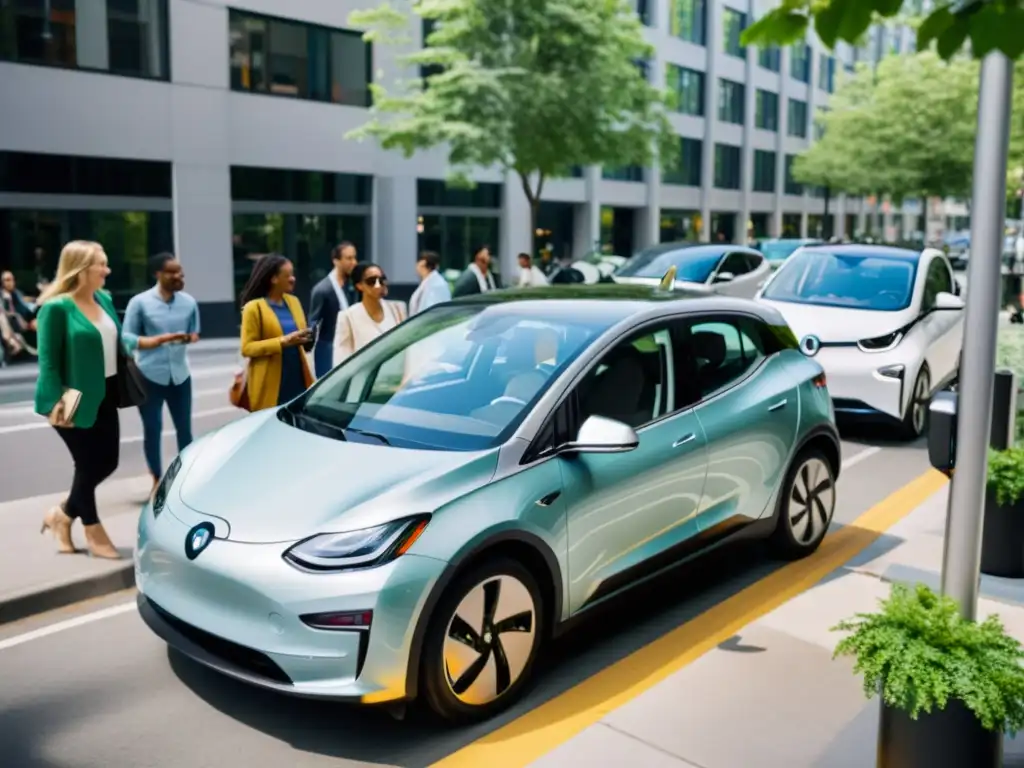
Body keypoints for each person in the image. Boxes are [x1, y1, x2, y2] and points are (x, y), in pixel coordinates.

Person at [34, 241, 179, 558]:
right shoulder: (56, 308)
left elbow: (116, 343)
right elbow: (48, 363)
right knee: (87, 465)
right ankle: (93, 529)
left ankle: (61, 515)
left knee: (107, 461)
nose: (107, 270)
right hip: (71, 398)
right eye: (101, 264)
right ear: (81, 268)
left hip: (107, 393)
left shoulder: (104, 299)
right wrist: (59, 406)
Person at [123, 253, 200, 490]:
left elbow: (194, 333)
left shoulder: (189, 303)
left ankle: (186, 478)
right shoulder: (140, 303)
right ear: (158, 274)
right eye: (172, 272)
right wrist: (158, 340)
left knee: (185, 429)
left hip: (180, 375)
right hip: (148, 376)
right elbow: (126, 338)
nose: (179, 276)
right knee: (153, 429)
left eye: (181, 272)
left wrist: (188, 338)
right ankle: (157, 480)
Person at [239, 254, 315, 411]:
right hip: (269, 383)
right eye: (288, 275)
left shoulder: (294, 302)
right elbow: (247, 348)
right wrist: (282, 342)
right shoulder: (254, 308)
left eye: (293, 274)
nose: (293, 279)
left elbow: (299, 340)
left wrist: (307, 339)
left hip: (297, 379)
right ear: (273, 279)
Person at [334, 263, 406, 365]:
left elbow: (407, 349)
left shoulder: (398, 310)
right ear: (359, 285)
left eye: (381, 280)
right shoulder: (348, 317)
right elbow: (341, 360)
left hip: (396, 377)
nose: (378, 285)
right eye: (372, 281)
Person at [308, 241, 358, 378]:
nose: (354, 262)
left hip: (351, 347)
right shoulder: (322, 290)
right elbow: (313, 324)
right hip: (328, 349)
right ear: (336, 261)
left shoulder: (353, 286)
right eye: (349, 258)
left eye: (354, 258)